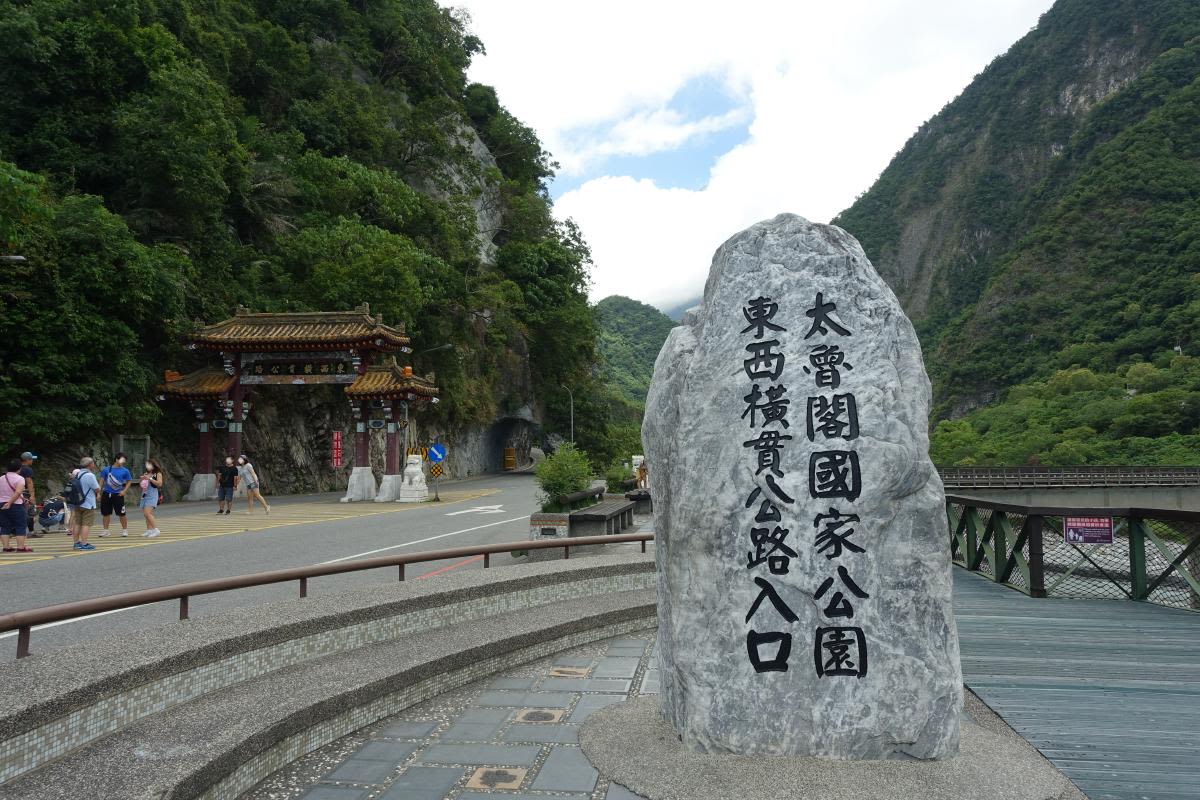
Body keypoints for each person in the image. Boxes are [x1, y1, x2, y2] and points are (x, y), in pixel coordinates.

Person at [98, 452, 133, 537]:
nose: (123, 461)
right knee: (105, 513)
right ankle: (106, 531)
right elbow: (101, 482)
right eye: (122, 459)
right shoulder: (106, 469)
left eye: (124, 460)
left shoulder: (125, 470)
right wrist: (98, 493)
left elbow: (129, 481)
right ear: (116, 459)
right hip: (106, 493)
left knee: (121, 513)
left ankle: (125, 530)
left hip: (118, 494)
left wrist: (124, 491)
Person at [0, 460, 31, 553]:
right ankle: (20, 547)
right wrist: (10, 502)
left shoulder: (1, 478)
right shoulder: (20, 479)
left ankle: (6, 546)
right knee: (20, 525)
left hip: (1, 504)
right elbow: (18, 492)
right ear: (19, 469)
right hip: (15, 505)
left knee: (5, 525)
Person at [70, 457, 100, 551]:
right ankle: (84, 543)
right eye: (93, 463)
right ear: (90, 464)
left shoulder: (77, 474)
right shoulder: (90, 475)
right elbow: (97, 488)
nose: (94, 465)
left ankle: (76, 543)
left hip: (78, 502)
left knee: (78, 523)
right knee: (86, 524)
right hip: (88, 503)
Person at [139, 459, 164, 538]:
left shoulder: (158, 473)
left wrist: (150, 479)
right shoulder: (146, 473)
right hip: (145, 494)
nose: (147, 466)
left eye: (149, 465)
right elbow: (142, 484)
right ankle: (149, 530)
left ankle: (156, 530)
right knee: (146, 514)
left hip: (152, 495)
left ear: (153, 465)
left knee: (147, 513)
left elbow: (159, 484)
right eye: (147, 465)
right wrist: (142, 479)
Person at [18, 452, 37, 538]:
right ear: (27, 460)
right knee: (30, 512)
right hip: (25, 492)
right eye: (31, 459)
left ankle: (14, 531)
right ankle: (31, 531)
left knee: (20, 512)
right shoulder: (27, 469)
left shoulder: (17, 468)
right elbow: (29, 482)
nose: (32, 461)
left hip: (17, 492)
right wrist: (32, 495)